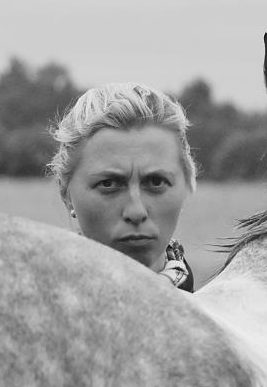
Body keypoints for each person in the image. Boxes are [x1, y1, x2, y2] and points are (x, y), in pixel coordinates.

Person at [48, 83, 196, 292]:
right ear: (66, 194)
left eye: (156, 182)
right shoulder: (27, 303)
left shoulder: (229, 309)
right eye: (108, 184)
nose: (136, 212)